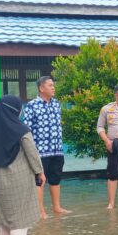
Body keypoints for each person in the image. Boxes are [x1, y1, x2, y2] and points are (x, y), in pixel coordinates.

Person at [0, 95, 45, 235]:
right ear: (15, 110)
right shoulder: (21, 129)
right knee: (20, 214)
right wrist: (39, 172)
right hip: (19, 177)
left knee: (4, 213)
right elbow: (32, 153)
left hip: (0, 177)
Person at [22, 76, 70, 218]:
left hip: (56, 149)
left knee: (56, 178)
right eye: (50, 85)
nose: (53, 87)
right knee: (40, 181)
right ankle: (40, 211)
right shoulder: (31, 106)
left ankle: (57, 207)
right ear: (41, 88)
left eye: (53, 85)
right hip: (40, 152)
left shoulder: (56, 104)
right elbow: (27, 130)